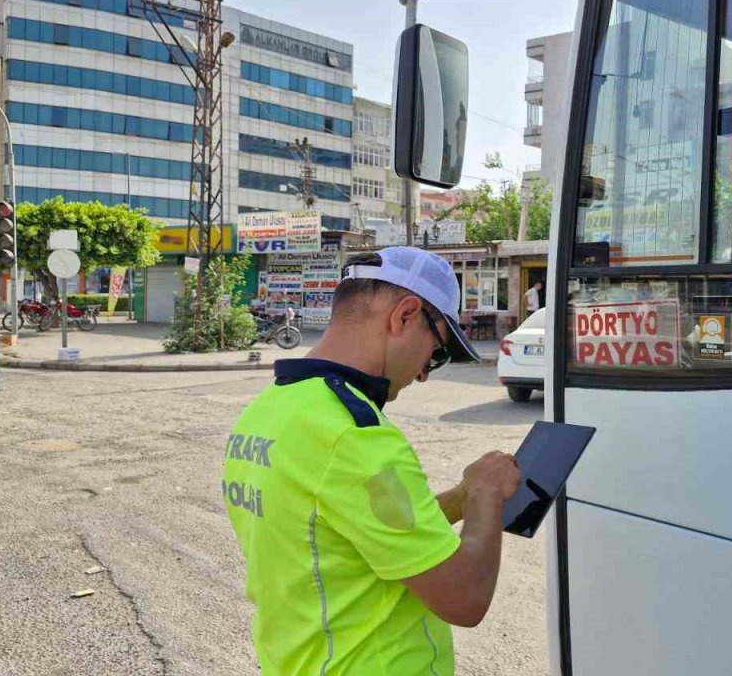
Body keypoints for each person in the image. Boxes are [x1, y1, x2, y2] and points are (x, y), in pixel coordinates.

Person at [223, 247, 522, 676]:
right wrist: (487, 496)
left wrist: (461, 496)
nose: (423, 373)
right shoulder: (356, 435)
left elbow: (363, 529)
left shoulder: (271, 408)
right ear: (404, 315)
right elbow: (465, 599)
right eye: (436, 353)